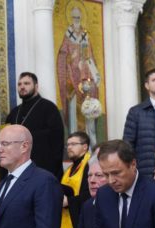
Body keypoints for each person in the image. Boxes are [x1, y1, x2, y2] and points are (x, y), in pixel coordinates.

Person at [6, 72, 65, 181]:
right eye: (19, 84)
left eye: (26, 83)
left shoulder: (49, 108)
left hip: (43, 167)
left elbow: (56, 138)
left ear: (36, 86)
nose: (22, 87)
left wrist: (27, 137)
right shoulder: (13, 113)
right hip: (18, 169)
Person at [57, 5, 102, 133]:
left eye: (78, 17)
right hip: (71, 77)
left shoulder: (85, 35)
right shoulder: (68, 34)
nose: (76, 20)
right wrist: (71, 58)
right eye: (74, 17)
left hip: (85, 77)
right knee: (73, 108)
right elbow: (62, 55)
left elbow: (90, 56)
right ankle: (74, 135)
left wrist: (94, 72)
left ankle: (88, 137)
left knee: (87, 107)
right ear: (71, 18)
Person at [57, 131, 92, 228]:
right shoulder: (69, 169)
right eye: (68, 145)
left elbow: (90, 194)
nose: (69, 147)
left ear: (85, 146)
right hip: (67, 219)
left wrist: (69, 202)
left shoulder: (89, 165)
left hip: (81, 220)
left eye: (73, 144)